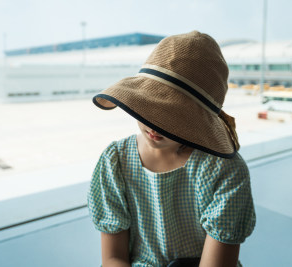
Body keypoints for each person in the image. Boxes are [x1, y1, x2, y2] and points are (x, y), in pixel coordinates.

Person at [87, 31, 256, 267]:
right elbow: (114, 257)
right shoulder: (115, 161)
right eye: (149, 108)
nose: (155, 125)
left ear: (199, 121)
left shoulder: (224, 171)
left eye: (174, 116)